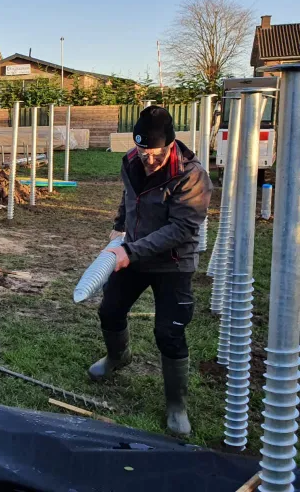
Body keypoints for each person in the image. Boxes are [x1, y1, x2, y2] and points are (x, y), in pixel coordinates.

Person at [88, 106, 211, 436]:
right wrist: (119, 226)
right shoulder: (130, 160)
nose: (146, 157)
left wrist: (129, 250)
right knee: (110, 310)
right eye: (142, 149)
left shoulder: (192, 174)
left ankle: (176, 405)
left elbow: (182, 228)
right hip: (134, 255)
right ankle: (118, 356)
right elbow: (129, 197)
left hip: (173, 263)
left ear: (170, 143)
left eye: (153, 151)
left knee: (168, 333)